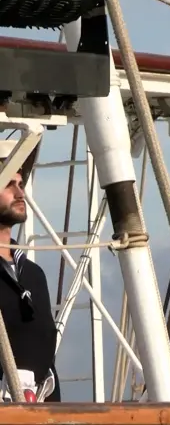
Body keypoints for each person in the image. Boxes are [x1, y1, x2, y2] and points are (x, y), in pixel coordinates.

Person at [0, 141, 59, 402]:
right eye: (8, 184)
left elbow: (46, 350)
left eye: (21, 184)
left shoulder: (33, 274)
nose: (19, 192)